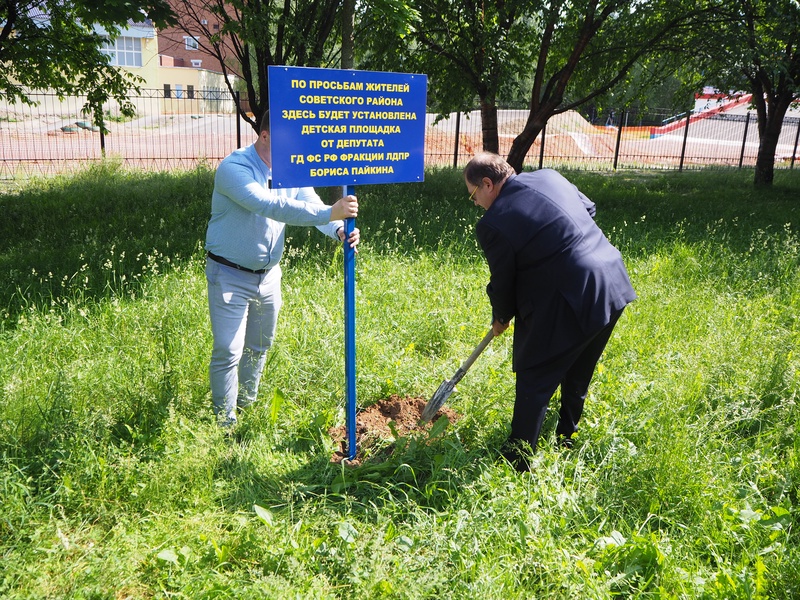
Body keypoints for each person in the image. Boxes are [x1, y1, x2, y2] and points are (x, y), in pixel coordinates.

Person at [464, 152, 636, 471]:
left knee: (535, 375)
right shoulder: (550, 176)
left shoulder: (493, 224)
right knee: (578, 371)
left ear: (487, 184)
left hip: (574, 297)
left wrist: (501, 316)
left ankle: (518, 462)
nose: (475, 202)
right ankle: (565, 441)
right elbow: (588, 209)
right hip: (612, 283)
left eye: (473, 195)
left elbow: (503, 282)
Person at [205, 111, 360, 428]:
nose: (294, 149)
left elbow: (310, 203)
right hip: (229, 274)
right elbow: (270, 205)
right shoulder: (234, 168)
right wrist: (332, 212)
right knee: (228, 350)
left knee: (260, 345)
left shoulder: (290, 170)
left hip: (269, 276)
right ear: (264, 136)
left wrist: (338, 228)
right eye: (287, 141)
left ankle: (246, 405)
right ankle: (224, 423)